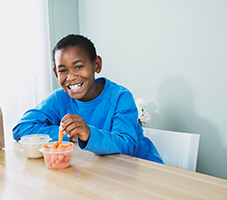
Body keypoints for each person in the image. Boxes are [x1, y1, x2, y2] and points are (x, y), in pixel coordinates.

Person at [13, 34, 163, 163]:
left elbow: (126, 144)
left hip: (142, 169)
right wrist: (71, 135)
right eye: (63, 70)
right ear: (56, 73)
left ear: (96, 65)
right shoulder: (59, 98)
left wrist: (88, 134)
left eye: (78, 66)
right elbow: (21, 128)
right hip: (102, 171)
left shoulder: (120, 97)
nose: (71, 77)